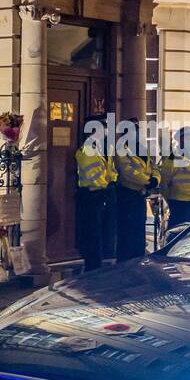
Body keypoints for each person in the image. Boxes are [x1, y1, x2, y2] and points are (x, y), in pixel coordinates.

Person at [74, 114, 116, 271]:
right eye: (102, 127)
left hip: (101, 195)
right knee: (92, 234)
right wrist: (106, 186)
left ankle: (98, 263)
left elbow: (111, 171)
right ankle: (92, 265)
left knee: (101, 233)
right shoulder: (88, 149)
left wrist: (111, 183)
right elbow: (94, 176)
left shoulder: (102, 149)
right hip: (91, 195)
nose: (105, 130)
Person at [114, 120, 158, 261]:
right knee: (127, 233)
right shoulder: (122, 149)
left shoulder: (143, 149)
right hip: (127, 195)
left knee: (139, 230)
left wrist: (156, 179)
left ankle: (138, 259)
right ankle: (126, 262)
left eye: (137, 130)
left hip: (140, 196)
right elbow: (127, 172)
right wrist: (147, 181)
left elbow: (154, 167)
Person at [159, 127, 190, 232]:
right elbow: (164, 184)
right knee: (176, 233)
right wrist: (170, 200)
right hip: (178, 202)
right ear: (180, 140)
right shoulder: (174, 158)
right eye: (186, 138)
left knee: (188, 234)